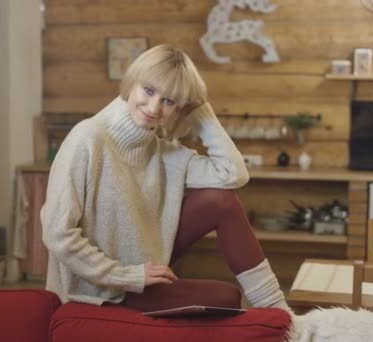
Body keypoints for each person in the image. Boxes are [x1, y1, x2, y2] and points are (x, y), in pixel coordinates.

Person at [41, 44, 291, 313]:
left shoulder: (162, 153)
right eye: (149, 91)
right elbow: (58, 234)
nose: (154, 107)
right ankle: (282, 322)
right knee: (226, 297)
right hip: (100, 288)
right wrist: (128, 276)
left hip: (145, 272)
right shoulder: (87, 139)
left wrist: (201, 111)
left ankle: (280, 314)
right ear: (132, 82)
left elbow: (233, 174)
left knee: (221, 200)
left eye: (169, 101)